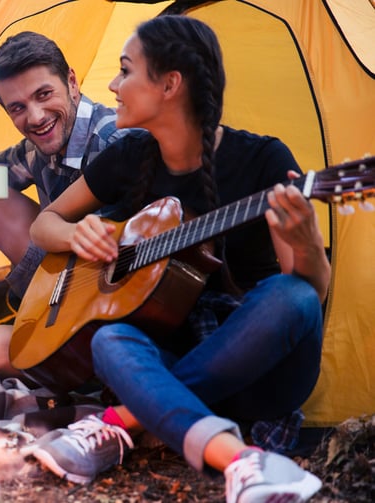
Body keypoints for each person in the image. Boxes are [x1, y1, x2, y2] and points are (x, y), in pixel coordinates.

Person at [27, 15, 328, 503]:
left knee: (291, 296)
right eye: (16, 107)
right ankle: (242, 460)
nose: (113, 84)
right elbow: (44, 223)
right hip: (174, 355)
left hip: (260, 369)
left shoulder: (264, 160)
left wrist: (309, 242)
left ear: (169, 85)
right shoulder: (129, 156)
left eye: (125, 70)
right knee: (110, 340)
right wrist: (76, 232)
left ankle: (124, 420)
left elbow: (305, 295)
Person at [0, 31, 132, 375]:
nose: (35, 116)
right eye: (17, 108)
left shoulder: (116, 143)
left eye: (44, 94)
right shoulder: (35, 153)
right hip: (57, 283)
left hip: (108, 300)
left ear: (72, 82)